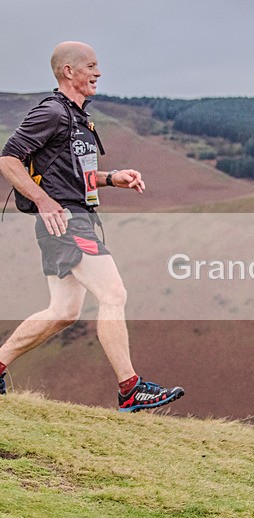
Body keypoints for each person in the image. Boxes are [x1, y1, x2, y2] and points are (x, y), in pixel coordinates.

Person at [0, 41, 184, 411]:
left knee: (63, 311)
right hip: (65, 221)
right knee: (114, 294)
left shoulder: (79, 118)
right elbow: (8, 159)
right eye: (91, 66)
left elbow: (69, 174)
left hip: (73, 217)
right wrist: (43, 200)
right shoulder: (52, 111)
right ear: (69, 71)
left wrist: (112, 178)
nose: (98, 73)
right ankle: (130, 388)